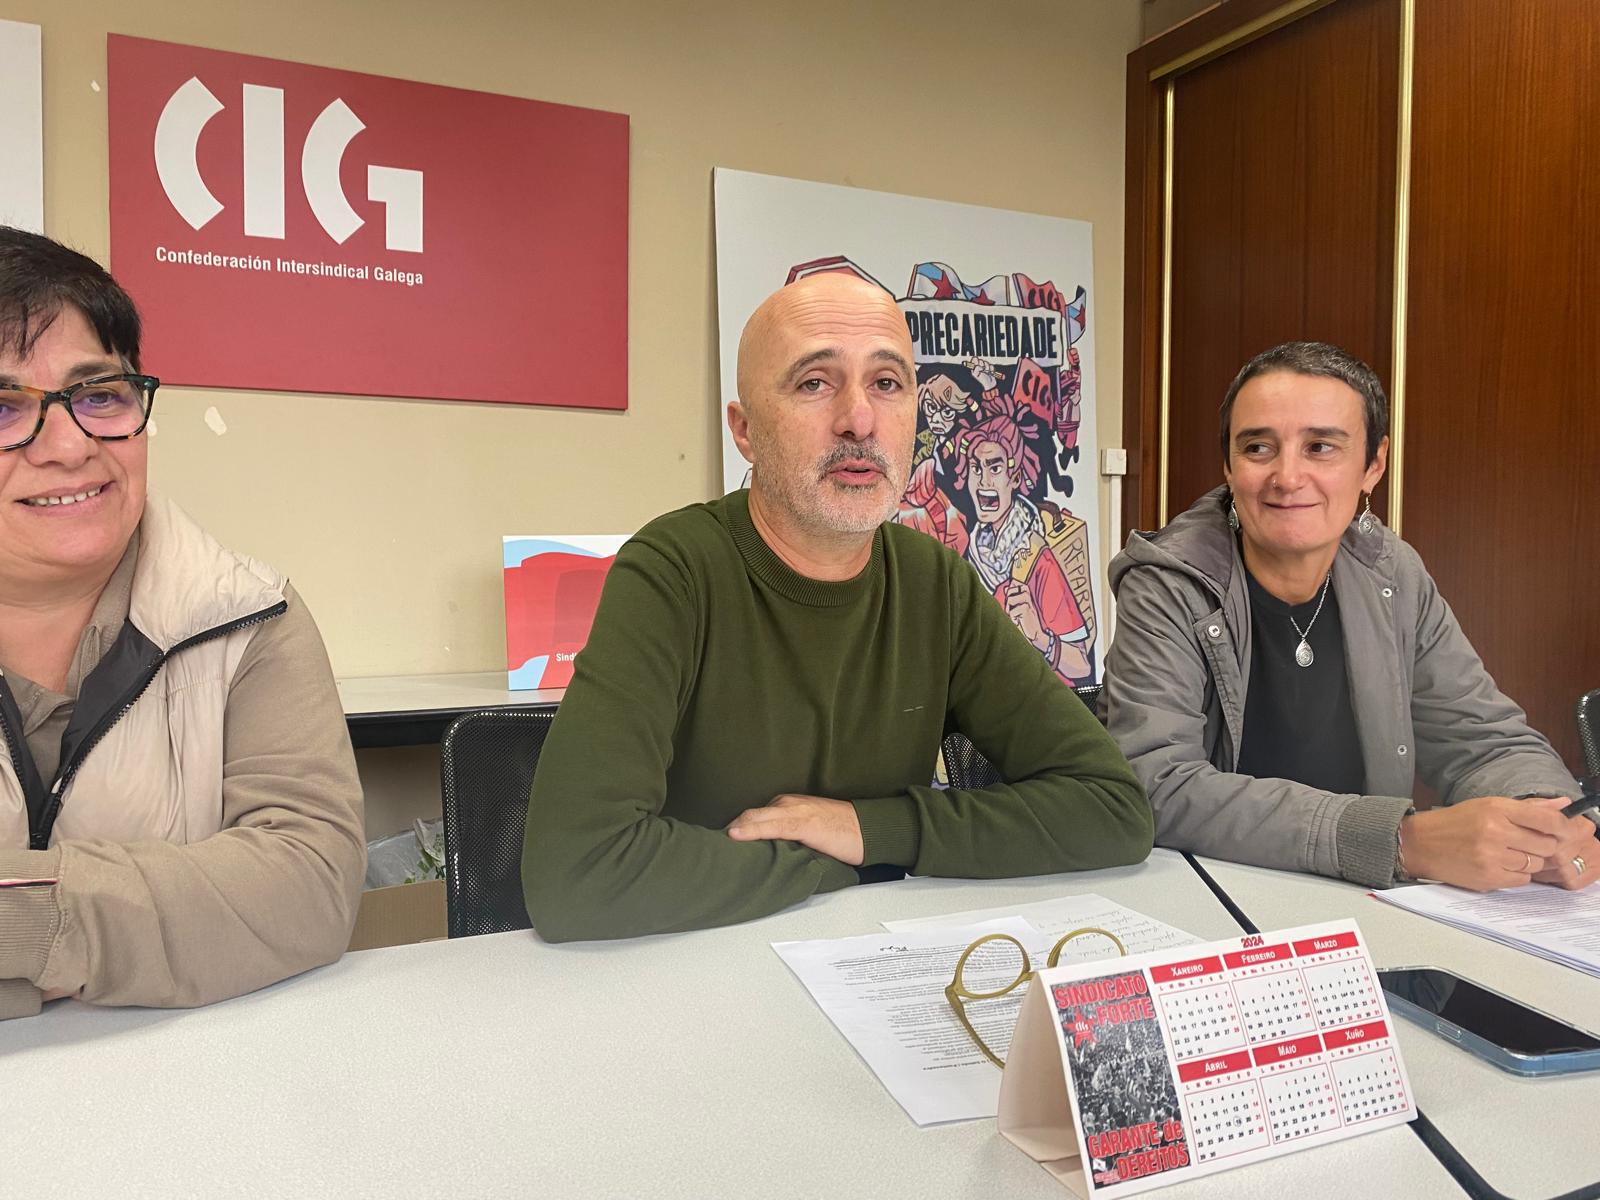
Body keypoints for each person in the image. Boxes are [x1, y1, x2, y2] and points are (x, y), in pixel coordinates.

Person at [522, 272, 1150, 941]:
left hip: (871, 966)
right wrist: (839, 857)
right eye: (814, 383)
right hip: (694, 969)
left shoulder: (933, 584)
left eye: (887, 383)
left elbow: (1112, 808)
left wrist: (868, 829)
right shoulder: (674, 571)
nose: (859, 420)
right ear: (746, 430)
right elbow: (576, 872)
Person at [0, 228, 364, 1021]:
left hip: (190, 1097)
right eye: (3, 409)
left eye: (99, 396)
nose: (68, 446)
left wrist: (30, 923)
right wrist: (166, 926)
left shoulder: (248, 617)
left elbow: (307, 886)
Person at [1102, 341, 1597, 891]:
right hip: (1218, 900)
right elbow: (1154, 783)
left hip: (1369, 897)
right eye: (1258, 448)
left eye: (1320, 447)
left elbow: (1484, 741)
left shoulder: (1394, 573)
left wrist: (1544, 819)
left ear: (1373, 465)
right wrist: (1398, 841)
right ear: (1228, 465)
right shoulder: (1170, 581)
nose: (1287, 477)